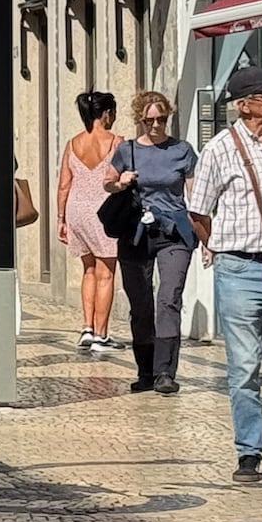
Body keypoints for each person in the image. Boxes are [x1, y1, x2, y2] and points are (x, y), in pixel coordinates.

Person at [186, 65, 262, 483]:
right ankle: (249, 452)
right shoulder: (219, 150)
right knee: (245, 366)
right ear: (244, 105)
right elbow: (198, 210)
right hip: (239, 269)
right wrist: (219, 246)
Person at [103, 91, 196, 396]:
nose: (155, 125)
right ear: (140, 119)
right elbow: (108, 182)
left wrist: (206, 236)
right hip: (136, 234)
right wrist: (123, 181)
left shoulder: (182, 150)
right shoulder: (126, 150)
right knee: (141, 304)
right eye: (149, 120)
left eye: (161, 119)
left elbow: (195, 197)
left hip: (174, 233)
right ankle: (145, 371)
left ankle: (165, 373)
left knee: (168, 299)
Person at [58, 90, 124, 352]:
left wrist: (61, 218)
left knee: (88, 269)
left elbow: (64, 184)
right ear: (107, 113)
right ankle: (101, 334)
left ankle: (86, 328)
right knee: (106, 272)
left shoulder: (73, 143)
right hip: (104, 211)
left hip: (76, 210)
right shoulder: (117, 142)